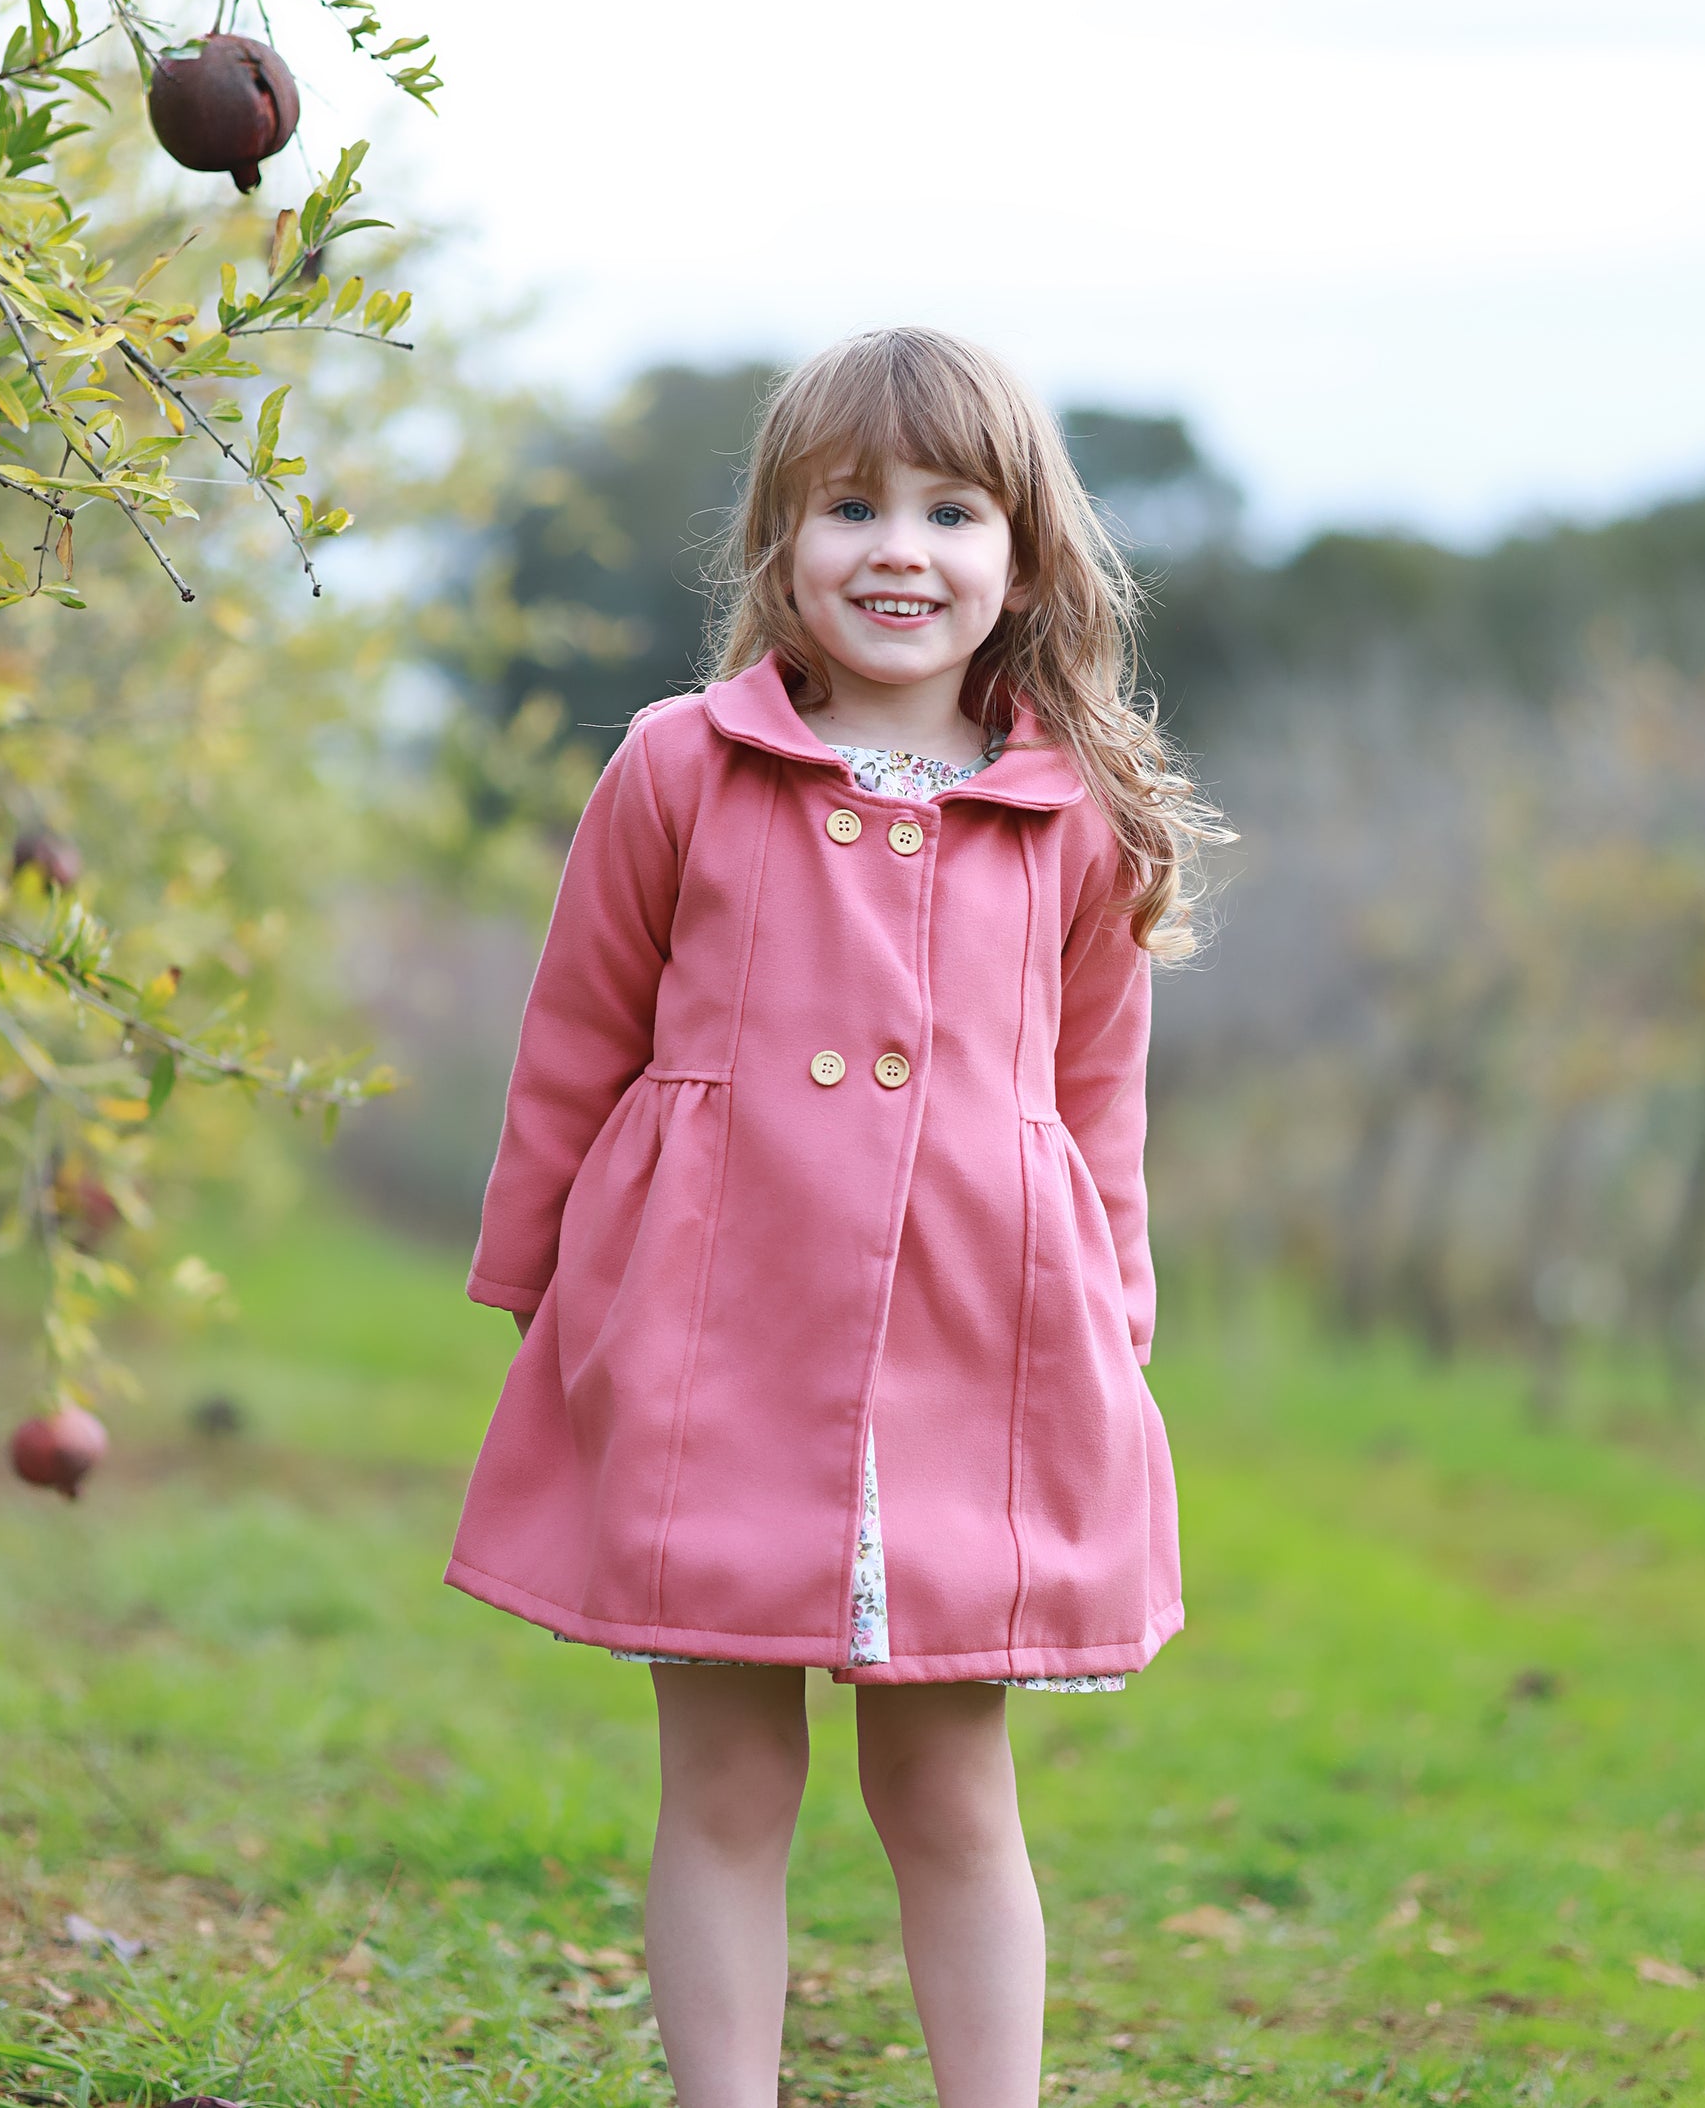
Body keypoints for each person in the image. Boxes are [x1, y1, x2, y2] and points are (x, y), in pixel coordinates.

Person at [446, 327, 1224, 2107]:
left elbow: (1096, 1097)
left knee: (949, 1789)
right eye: (850, 505)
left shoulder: (1073, 822)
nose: (901, 548)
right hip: (716, 1342)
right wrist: (545, 1293)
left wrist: (1110, 1319)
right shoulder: (676, 768)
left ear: (1023, 556)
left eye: (954, 510)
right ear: (780, 544)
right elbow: (575, 1038)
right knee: (724, 1784)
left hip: (974, 1359)